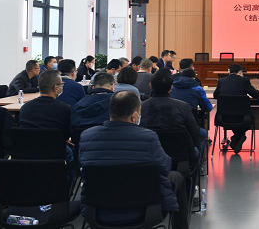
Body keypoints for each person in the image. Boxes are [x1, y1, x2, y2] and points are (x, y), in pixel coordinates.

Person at [79, 91, 188, 229]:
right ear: (134, 116)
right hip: (145, 211)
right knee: (177, 177)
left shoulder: (87, 136)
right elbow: (165, 168)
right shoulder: (148, 137)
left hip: (97, 212)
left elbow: (83, 168)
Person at [141, 69, 204, 153]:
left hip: (149, 151)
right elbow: (193, 131)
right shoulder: (183, 106)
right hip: (180, 153)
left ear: (150, 85)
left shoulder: (141, 107)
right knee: (203, 137)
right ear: (171, 87)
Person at [213, 63, 259, 153]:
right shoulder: (244, 80)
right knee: (248, 120)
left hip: (224, 117)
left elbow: (215, 96)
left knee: (235, 118)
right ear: (240, 72)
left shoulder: (221, 81)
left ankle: (237, 138)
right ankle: (238, 137)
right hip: (242, 117)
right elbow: (256, 95)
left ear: (229, 71)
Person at [19, 70, 70, 142]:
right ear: (55, 88)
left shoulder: (25, 108)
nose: (62, 86)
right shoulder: (64, 109)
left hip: (28, 147)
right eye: (61, 84)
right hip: (54, 147)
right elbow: (66, 134)